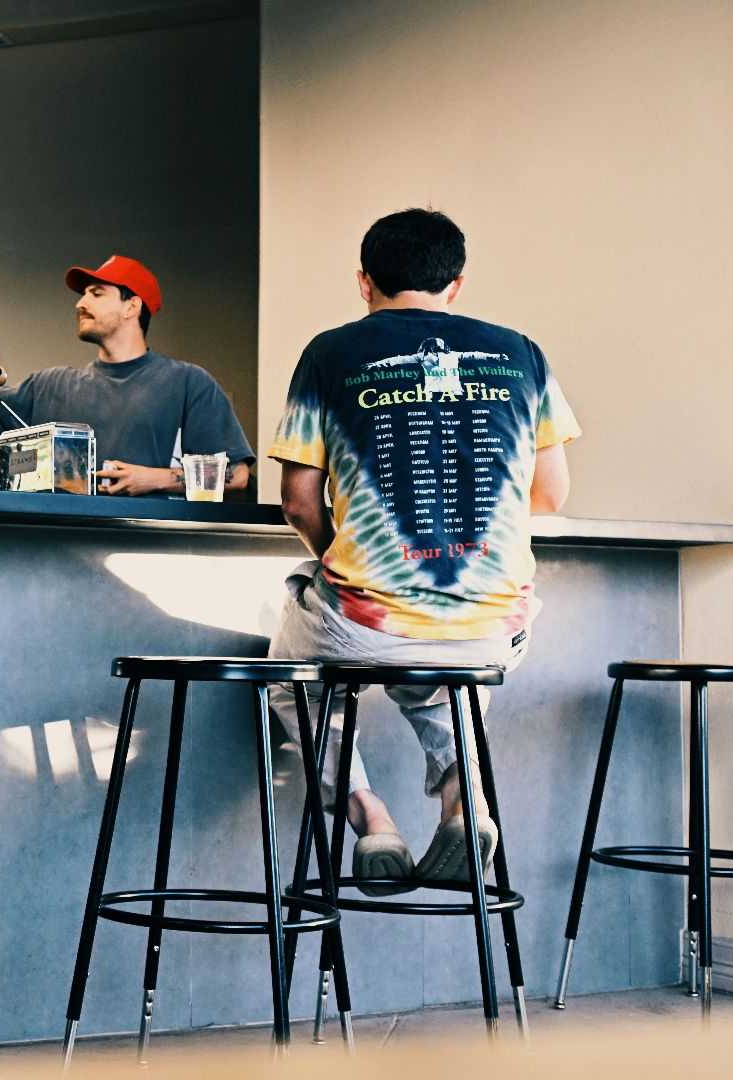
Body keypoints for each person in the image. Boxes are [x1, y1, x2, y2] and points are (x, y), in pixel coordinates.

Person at [265, 208, 580, 894]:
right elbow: (550, 494)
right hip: (494, 629)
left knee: (293, 672)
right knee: (433, 670)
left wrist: (344, 565)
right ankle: (463, 798)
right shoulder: (521, 352)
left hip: (372, 624)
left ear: (364, 281)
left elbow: (297, 502)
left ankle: (369, 813)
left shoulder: (330, 353)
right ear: (456, 285)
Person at [0, 255, 255, 495]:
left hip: (149, 554)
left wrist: (153, 479)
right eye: (83, 295)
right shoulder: (50, 385)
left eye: (97, 293)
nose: (80, 303)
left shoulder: (189, 383)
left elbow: (236, 475)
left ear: (132, 306)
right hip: (55, 551)